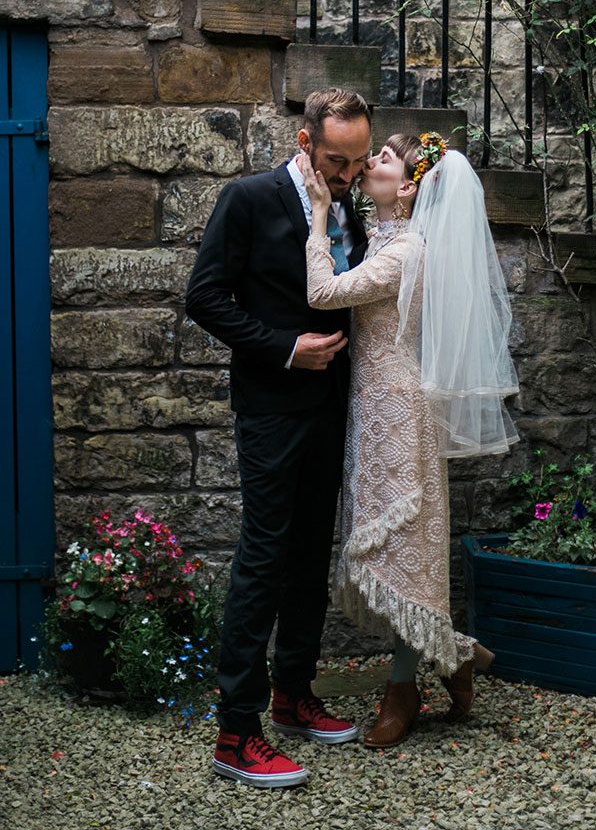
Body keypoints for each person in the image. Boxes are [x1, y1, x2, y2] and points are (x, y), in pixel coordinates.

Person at [301, 131, 519, 748]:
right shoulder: (383, 237)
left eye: (385, 158)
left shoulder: (407, 251)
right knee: (397, 548)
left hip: (400, 412)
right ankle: (457, 657)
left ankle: (403, 688)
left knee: (400, 550)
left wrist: (318, 214)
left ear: (411, 185)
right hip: (372, 407)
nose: (370, 162)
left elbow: (323, 292)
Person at [185, 88, 373, 789]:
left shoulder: (351, 198)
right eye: (335, 161)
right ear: (304, 142)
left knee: (308, 553)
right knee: (263, 558)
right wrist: (286, 348)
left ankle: (294, 695)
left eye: (356, 163)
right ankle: (236, 731)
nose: (347, 176)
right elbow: (203, 297)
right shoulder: (250, 198)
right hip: (271, 404)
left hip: (333, 403)